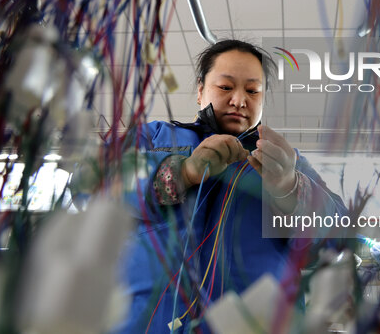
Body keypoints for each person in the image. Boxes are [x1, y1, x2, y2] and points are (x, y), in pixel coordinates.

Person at [112, 39, 347, 333]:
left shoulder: (286, 161)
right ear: (200, 91)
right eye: (225, 87)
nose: (239, 100)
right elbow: (92, 186)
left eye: (252, 90)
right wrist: (183, 172)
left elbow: (338, 235)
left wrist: (290, 187)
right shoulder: (155, 138)